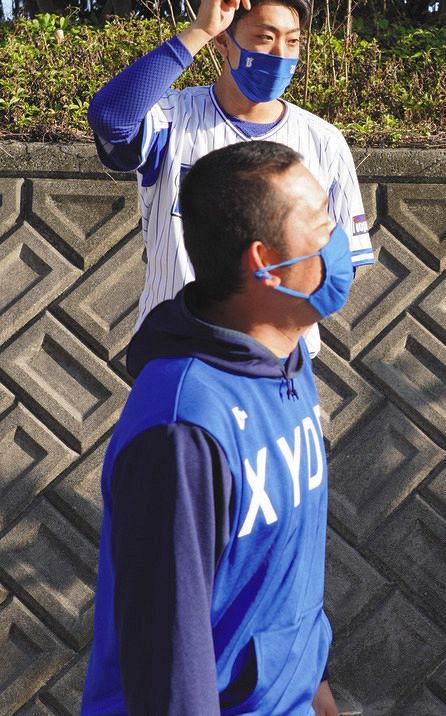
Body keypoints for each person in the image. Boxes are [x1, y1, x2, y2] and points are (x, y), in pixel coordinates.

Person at [81, 141, 346, 715]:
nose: (339, 245)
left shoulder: (284, 358)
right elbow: (169, 661)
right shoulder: (182, 431)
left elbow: (280, 569)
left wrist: (314, 683)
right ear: (262, 263)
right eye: (322, 227)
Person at [87, 0, 373, 355]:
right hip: (180, 360)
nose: (279, 55)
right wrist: (197, 31)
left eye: (293, 41)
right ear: (224, 42)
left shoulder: (323, 142)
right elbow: (110, 119)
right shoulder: (170, 121)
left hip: (279, 370)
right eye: (263, 38)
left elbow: (344, 266)